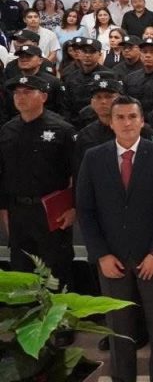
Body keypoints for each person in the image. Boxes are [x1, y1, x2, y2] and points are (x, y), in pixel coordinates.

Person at [76, 95, 153, 382]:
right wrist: (101, 254)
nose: (127, 123)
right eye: (120, 117)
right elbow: (85, 210)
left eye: (132, 117)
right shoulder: (93, 157)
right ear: (110, 122)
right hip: (112, 260)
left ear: (142, 120)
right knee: (119, 329)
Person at [0, 73, 77, 340]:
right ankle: (29, 326)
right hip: (19, 211)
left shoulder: (62, 130)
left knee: (57, 268)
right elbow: (3, 175)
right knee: (22, 269)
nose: (20, 97)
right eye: (17, 93)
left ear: (43, 96)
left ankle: (62, 325)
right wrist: (4, 211)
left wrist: (73, 208)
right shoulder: (7, 131)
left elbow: (76, 173)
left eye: (27, 92)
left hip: (51, 210)